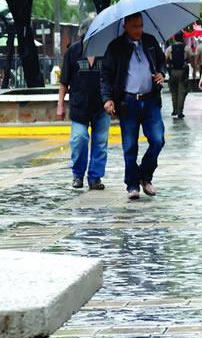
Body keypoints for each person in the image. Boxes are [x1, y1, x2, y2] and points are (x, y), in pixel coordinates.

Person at [100, 13, 166, 201]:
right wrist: (107, 98)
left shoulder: (150, 41)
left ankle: (145, 176)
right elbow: (105, 75)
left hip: (151, 100)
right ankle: (132, 184)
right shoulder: (115, 47)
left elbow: (161, 62)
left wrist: (162, 73)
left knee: (158, 140)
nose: (139, 30)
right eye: (135, 26)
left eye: (141, 26)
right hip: (128, 102)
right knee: (130, 146)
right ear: (125, 26)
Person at [57, 18, 108, 190]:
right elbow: (64, 81)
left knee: (100, 143)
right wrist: (60, 105)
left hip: (102, 106)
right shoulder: (73, 51)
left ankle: (95, 177)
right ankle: (77, 175)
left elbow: (113, 78)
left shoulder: (106, 51)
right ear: (84, 34)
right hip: (79, 106)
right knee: (79, 139)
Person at [165, 31, 189, 119]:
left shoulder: (169, 48)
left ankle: (174, 110)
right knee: (181, 92)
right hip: (183, 71)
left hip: (173, 71)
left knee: (174, 92)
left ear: (174, 38)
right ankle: (180, 111)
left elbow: (165, 59)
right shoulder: (186, 48)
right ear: (182, 38)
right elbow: (189, 59)